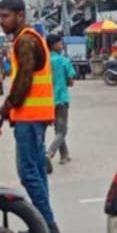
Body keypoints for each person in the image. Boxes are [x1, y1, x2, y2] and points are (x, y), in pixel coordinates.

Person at [0, 0, 61, 233]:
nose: (2, 22)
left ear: (20, 15)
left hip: (30, 117)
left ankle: (46, 227)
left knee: (29, 173)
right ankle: (42, 225)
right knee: (37, 172)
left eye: (5, 16)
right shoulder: (27, 39)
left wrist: (2, 112)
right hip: (33, 117)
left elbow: (22, 84)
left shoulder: (26, 40)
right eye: (0, 16)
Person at [46, 34, 75, 165]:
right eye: (60, 43)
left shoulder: (44, 62)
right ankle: (50, 152)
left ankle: (64, 154)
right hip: (61, 99)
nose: (62, 46)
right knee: (62, 130)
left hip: (47, 100)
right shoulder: (63, 61)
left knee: (58, 128)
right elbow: (71, 81)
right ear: (54, 45)